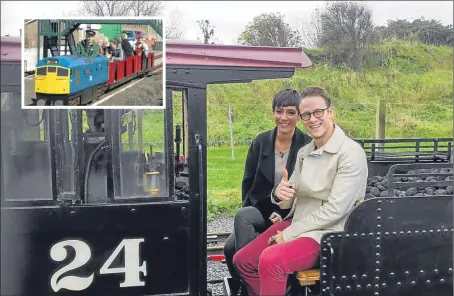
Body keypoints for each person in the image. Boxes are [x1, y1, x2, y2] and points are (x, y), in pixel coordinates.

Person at [232, 86, 368, 296]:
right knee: (242, 261)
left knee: (271, 260)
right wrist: (279, 194)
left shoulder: (350, 153)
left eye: (318, 112)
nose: (312, 119)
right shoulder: (306, 152)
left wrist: (288, 234)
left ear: (330, 112)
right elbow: (289, 199)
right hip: (299, 222)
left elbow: (336, 210)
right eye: (306, 115)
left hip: (328, 233)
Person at [223, 89, 312, 292]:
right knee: (230, 246)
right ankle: (250, 284)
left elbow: (306, 193)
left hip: (290, 214)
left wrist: (282, 215)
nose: (284, 118)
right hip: (261, 208)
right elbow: (248, 184)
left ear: (299, 115)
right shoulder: (261, 142)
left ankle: (256, 285)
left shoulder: (306, 145)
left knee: (235, 246)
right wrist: (268, 212)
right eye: (279, 111)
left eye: (291, 112)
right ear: (272, 112)